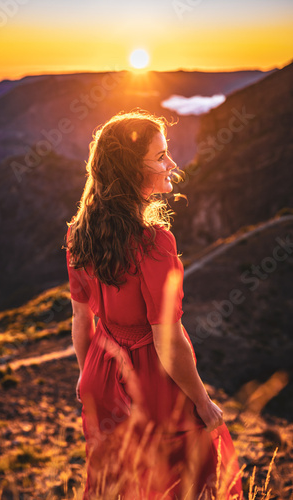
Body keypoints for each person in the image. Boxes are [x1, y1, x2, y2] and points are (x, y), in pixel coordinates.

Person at [65, 110, 242, 499]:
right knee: (183, 484)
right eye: (161, 156)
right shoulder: (154, 243)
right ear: (131, 170)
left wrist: (87, 375)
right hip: (152, 383)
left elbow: (81, 320)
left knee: (120, 484)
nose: (172, 164)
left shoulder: (79, 234)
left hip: (100, 373)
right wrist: (203, 401)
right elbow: (167, 340)